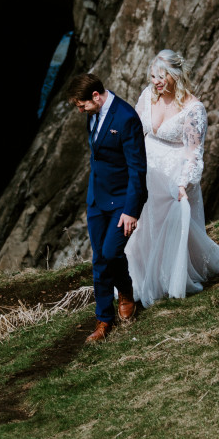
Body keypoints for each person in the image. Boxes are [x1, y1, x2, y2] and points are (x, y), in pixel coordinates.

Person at [125, 49, 219, 306]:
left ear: (176, 74)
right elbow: (133, 129)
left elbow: (193, 153)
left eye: (161, 76)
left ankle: (166, 278)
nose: (156, 81)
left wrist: (183, 183)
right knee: (143, 228)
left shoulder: (193, 109)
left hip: (174, 175)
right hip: (146, 171)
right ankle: (138, 278)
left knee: (168, 230)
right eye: (153, 76)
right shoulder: (148, 96)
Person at [67, 72, 147, 342]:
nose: (80, 110)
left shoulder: (126, 118)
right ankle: (104, 320)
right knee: (99, 259)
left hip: (122, 202)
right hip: (96, 199)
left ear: (96, 96)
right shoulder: (93, 114)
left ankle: (125, 292)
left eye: (82, 105)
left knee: (112, 253)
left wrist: (132, 210)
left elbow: (138, 169)